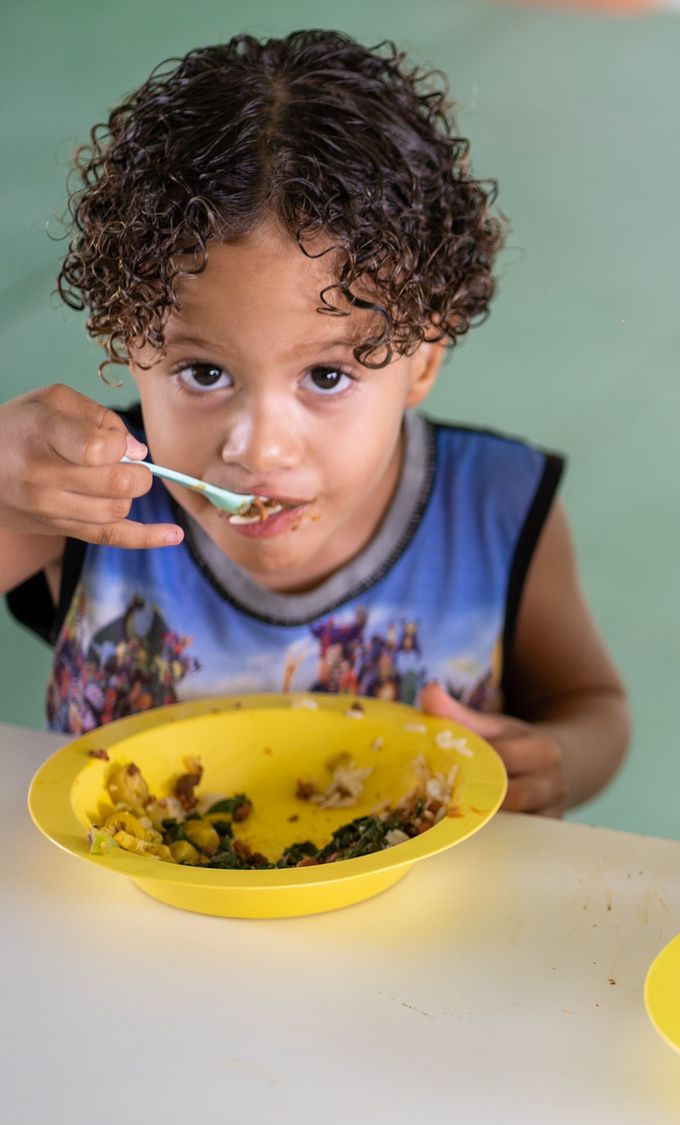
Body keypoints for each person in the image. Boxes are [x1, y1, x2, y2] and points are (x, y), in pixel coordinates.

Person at [0, 31, 629, 816]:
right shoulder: (78, 501)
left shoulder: (495, 507)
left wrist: (560, 759)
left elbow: (591, 700)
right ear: (134, 344)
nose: (258, 446)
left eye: (327, 376)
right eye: (204, 374)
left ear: (423, 358)